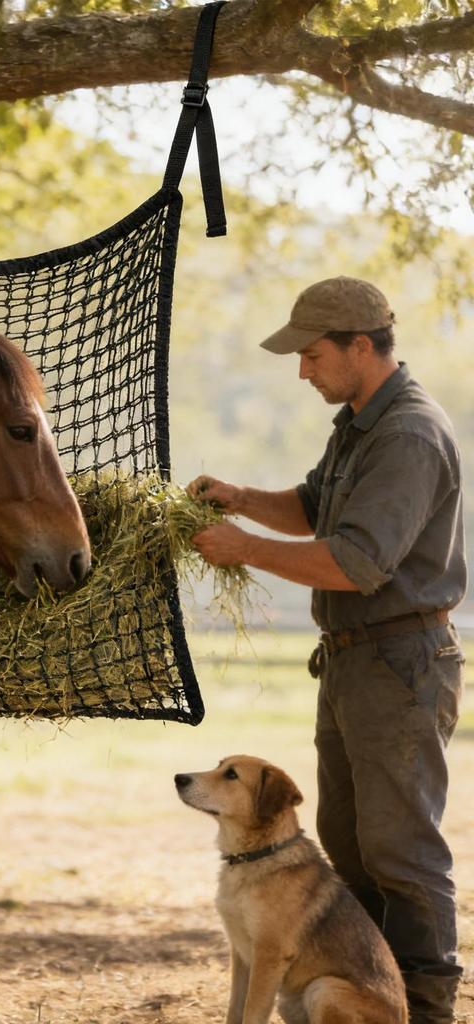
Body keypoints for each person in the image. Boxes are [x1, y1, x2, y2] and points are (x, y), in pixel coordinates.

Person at [188, 276, 466, 1024]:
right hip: (350, 659)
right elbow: (313, 510)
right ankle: (372, 997)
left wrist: (244, 549)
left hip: (400, 662)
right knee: (348, 841)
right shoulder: (358, 423)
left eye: (313, 355)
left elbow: (355, 561)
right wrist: (243, 499)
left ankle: (426, 1011)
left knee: (401, 853)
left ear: (362, 347)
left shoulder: (407, 433)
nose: (303, 371)